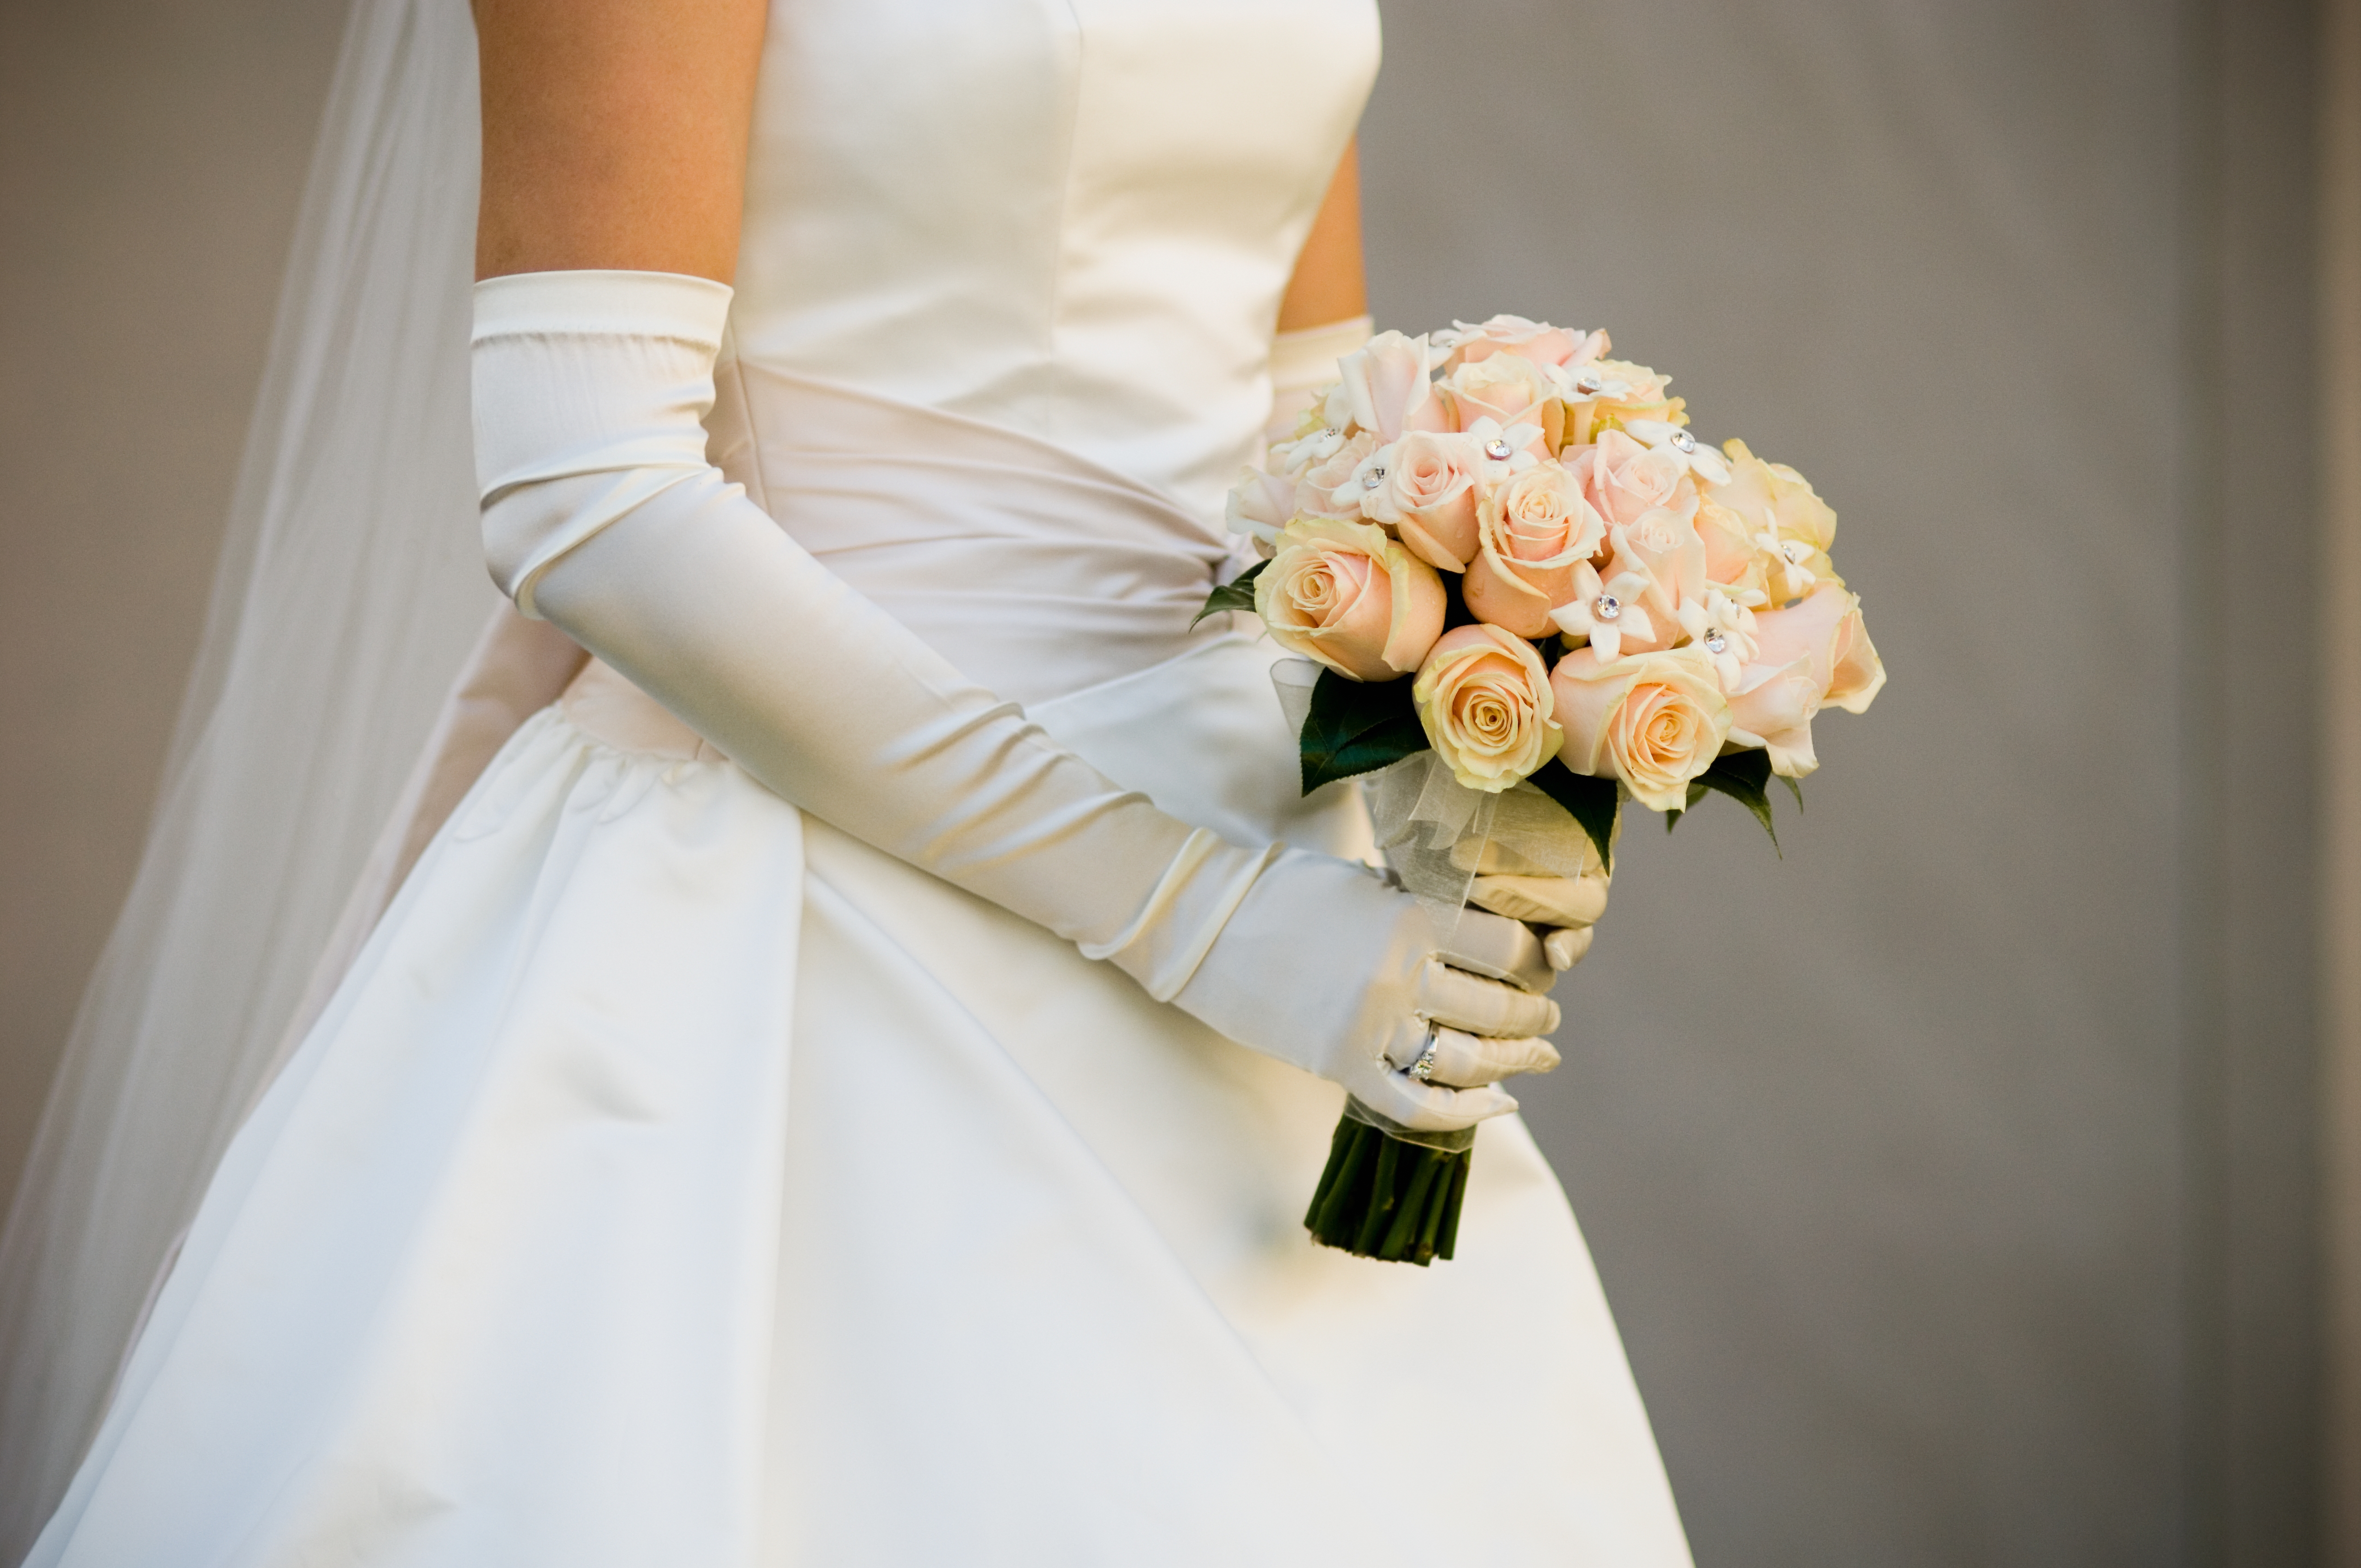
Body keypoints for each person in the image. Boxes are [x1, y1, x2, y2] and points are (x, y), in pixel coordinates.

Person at [14, 0, 1692, 1561]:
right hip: (795, 871)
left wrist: (1462, 746)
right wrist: (1206, 919)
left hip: (1284, 901)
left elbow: (1307, 408)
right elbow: (583, 483)